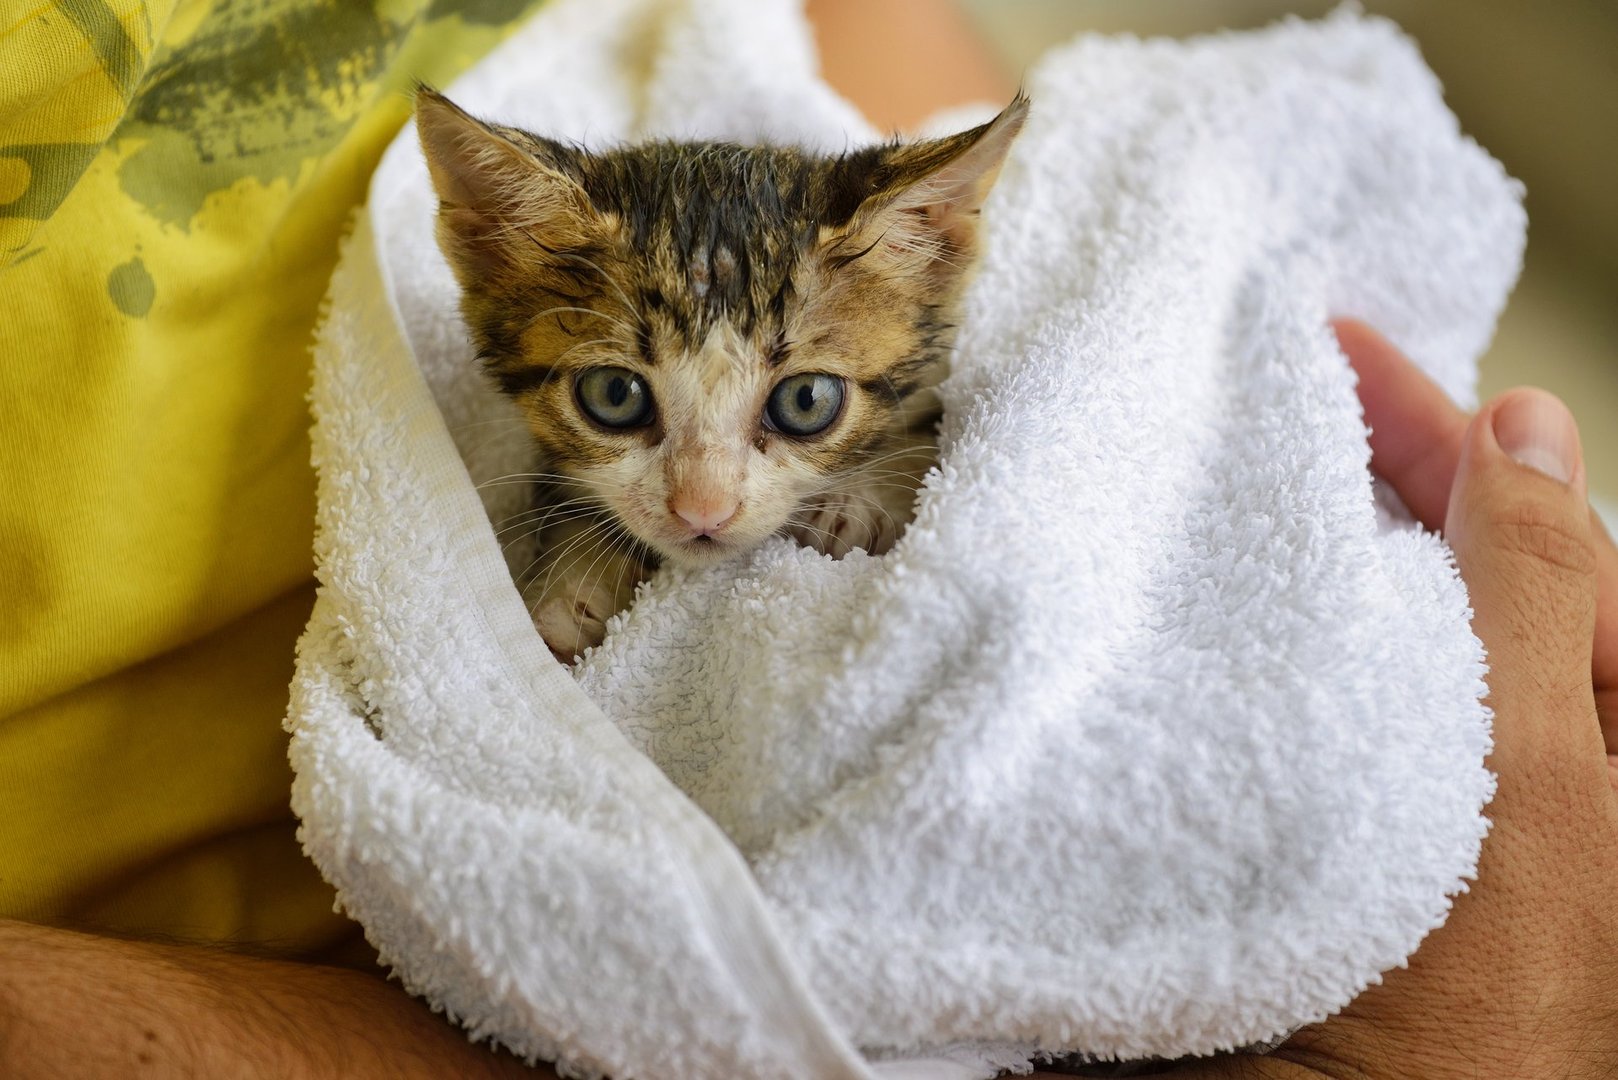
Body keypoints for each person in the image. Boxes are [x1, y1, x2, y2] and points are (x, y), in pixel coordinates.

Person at [4, 1, 1614, 1075]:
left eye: (793, 413)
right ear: (492, 255)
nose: (705, 503)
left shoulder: (904, 288)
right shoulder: (540, 267)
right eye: (620, 400)